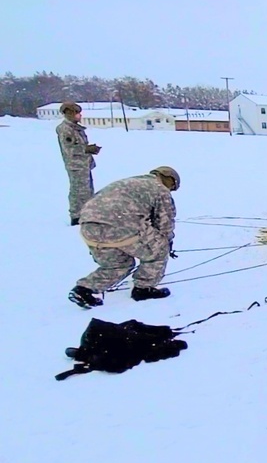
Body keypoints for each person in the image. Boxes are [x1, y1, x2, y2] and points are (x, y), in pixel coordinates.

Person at [68, 167, 180, 309]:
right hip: (122, 225)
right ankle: (144, 288)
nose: (171, 191)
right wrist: (167, 243)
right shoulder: (159, 188)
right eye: (173, 187)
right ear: (169, 178)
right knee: (159, 249)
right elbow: (165, 223)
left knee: (118, 264)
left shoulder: (125, 183)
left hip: (88, 226)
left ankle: (84, 290)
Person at [55, 101, 100, 225]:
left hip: (83, 164)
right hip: (76, 166)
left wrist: (89, 149)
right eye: (77, 113)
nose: (80, 116)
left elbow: (78, 144)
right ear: (69, 113)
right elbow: (69, 149)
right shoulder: (65, 129)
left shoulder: (75, 128)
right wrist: (86, 149)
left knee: (87, 190)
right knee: (78, 191)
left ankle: (86, 213)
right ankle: (76, 216)